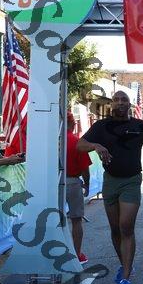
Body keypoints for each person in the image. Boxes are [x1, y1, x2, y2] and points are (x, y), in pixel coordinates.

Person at [77, 91, 143, 284]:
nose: (120, 103)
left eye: (124, 100)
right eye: (116, 100)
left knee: (126, 226)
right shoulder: (102, 126)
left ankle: (125, 278)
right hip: (110, 181)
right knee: (115, 229)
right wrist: (95, 145)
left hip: (131, 181)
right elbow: (79, 145)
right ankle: (125, 266)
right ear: (111, 104)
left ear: (129, 104)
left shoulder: (140, 126)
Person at [66, 111, 92, 264]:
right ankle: (76, 254)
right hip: (72, 182)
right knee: (76, 220)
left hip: (53, 183)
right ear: (73, 123)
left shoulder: (51, 141)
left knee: (54, 218)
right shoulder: (77, 142)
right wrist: (87, 184)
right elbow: (85, 169)